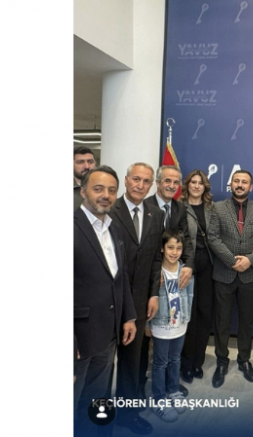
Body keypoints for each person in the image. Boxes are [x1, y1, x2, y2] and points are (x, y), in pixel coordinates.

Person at [74, 166, 136, 435]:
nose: (106, 195)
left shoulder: (114, 229)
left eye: (112, 190)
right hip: (79, 339)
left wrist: (128, 316)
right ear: (83, 192)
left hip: (108, 335)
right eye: (98, 189)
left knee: (96, 401)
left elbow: (119, 278)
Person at [107, 162, 164, 434]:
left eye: (146, 181)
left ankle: (127, 414)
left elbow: (155, 258)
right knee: (103, 363)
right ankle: (99, 413)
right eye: (136, 179)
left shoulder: (156, 214)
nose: (140, 185)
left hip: (140, 300)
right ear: (127, 180)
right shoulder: (109, 210)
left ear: (152, 185)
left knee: (132, 361)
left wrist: (153, 294)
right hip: (110, 300)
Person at [207, 170, 253, 387]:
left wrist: (249, 261)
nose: (240, 185)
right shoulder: (217, 208)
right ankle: (222, 361)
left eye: (244, 182)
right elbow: (213, 238)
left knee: (246, 321)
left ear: (251, 187)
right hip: (224, 273)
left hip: (249, 275)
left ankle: (244, 360)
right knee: (222, 321)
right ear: (231, 184)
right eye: (236, 181)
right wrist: (232, 261)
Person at [144, 165, 194, 394]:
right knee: (147, 339)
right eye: (167, 181)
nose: (171, 186)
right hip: (148, 276)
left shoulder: (179, 208)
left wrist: (189, 265)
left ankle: (169, 385)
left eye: (176, 182)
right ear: (157, 182)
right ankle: (145, 387)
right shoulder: (145, 205)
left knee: (170, 352)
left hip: (172, 274)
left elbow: (185, 240)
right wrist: (156, 274)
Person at [149, 229, 194, 423]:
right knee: (160, 363)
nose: (174, 252)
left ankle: (173, 391)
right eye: (170, 247)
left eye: (178, 248)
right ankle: (158, 399)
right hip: (161, 326)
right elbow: (150, 299)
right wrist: (148, 323)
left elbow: (190, 295)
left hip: (179, 326)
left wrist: (186, 319)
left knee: (175, 359)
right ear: (162, 248)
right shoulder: (156, 273)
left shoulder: (185, 271)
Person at [179, 170, 215, 383]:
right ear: (187, 184)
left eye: (200, 183)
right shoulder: (179, 207)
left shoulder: (212, 208)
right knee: (188, 315)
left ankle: (197, 362)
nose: (196, 186)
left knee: (204, 313)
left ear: (205, 187)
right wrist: (187, 263)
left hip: (209, 265)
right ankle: (185, 363)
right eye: (193, 182)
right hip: (187, 265)